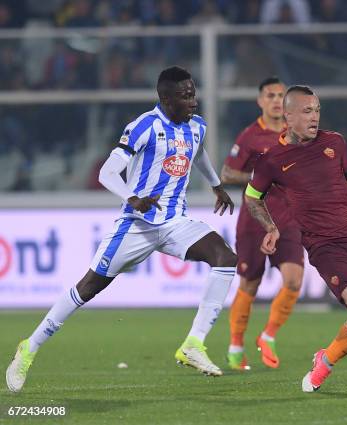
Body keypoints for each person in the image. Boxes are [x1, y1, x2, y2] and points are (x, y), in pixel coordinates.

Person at [6, 66, 237, 393]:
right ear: (167, 99)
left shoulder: (196, 127)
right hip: (136, 225)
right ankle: (29, 348)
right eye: (186, 96)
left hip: (174, 221)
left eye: (194, 94)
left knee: (225, 257)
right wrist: (133, 197)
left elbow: (197, 154)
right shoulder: (143, 127)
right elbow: (107, 172)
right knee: (86, 288)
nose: (194, 102)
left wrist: (216, 185)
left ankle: (193, 345)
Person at [244, 85, 347, 392]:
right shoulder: (272, 160)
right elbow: (252, 197)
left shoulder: (335, 143)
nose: (315, 118)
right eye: (307, 111)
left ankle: (323, 364)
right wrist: (271, 227)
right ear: (288, 114)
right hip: (325, 245)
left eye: (318, 110)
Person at [221, 77, 304, 371]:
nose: (277, 100)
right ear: (260, 101)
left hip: (288, 219)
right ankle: (235, 344)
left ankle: (268, 335)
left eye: (282, 95)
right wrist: (260, 175)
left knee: (294, 280)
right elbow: (228, 173)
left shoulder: (295, 135)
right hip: (255, 220)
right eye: (271, 95)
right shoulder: (249, 137)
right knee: (250, 284)